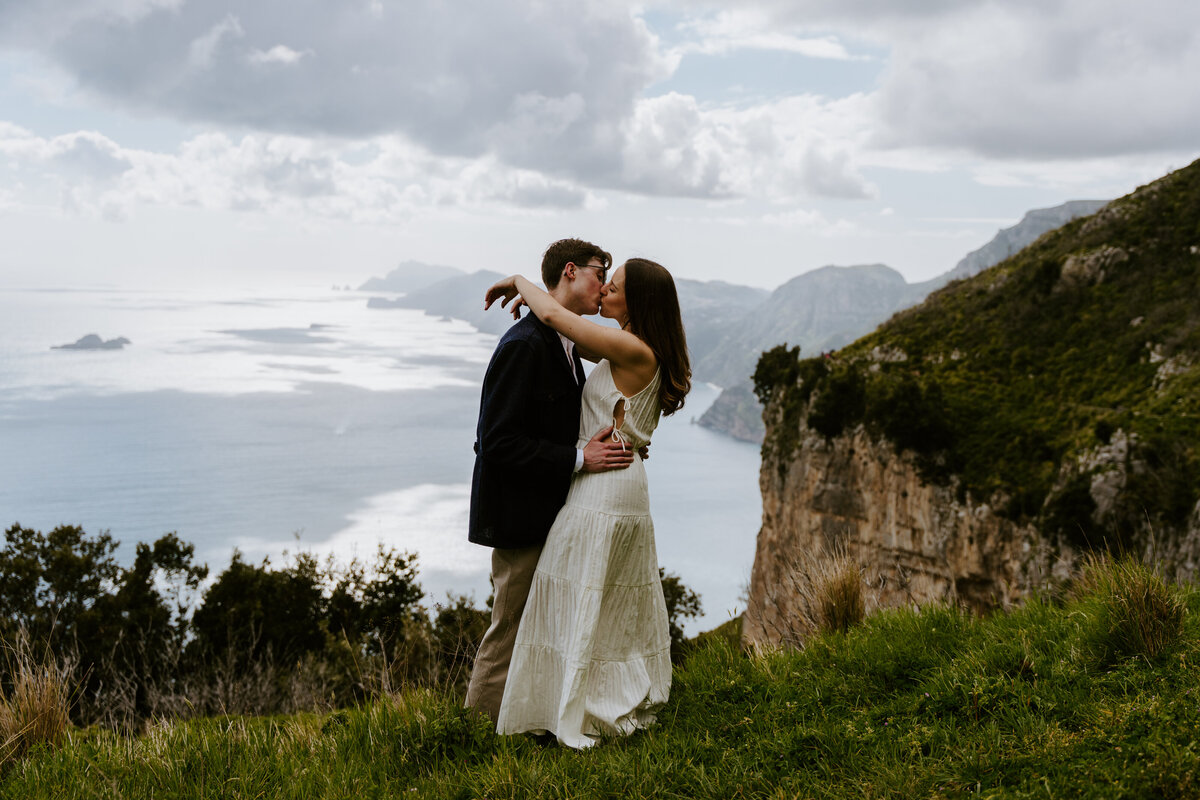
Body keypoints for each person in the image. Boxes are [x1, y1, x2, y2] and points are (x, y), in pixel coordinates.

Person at [483, 256, 691, 748]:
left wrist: (519, 280)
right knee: (596, 594)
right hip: (616, 476)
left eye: (613, 286)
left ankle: (572, 706)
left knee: (583, 590)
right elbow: (563, 343)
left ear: (635, 300)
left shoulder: (630, 346)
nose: (604, 293)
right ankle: (574, 698)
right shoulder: (628, 349)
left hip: (605, 487)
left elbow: (557, 320)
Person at [464, 238, 636, 724]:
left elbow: (555, 420)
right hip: (519, 516)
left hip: (547, 511)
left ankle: (528, 719)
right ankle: (475, 733)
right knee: (510, 627)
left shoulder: (563, 343)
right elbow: (496, 442)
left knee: (540, 624)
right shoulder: (523, 345)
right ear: (570, 272)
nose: (603, 284)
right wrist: (579, 458)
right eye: (599, 273)